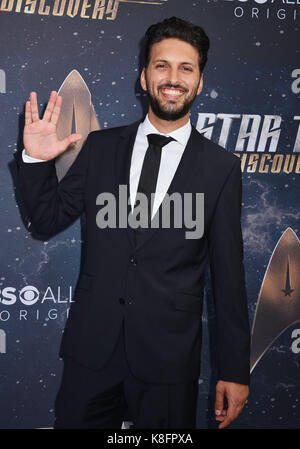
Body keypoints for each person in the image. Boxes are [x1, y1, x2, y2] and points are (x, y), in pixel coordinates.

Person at [15, 16, 250, 429]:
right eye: (161, 65)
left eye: (185, 68)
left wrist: (234, 370)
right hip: (93, 353)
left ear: (198, 82)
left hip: (168, 362)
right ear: (144, 77)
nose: (172, 78)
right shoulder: (101, 148)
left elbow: (228, 279)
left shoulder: (221, 168)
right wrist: (35, 160)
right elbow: (45, 221)